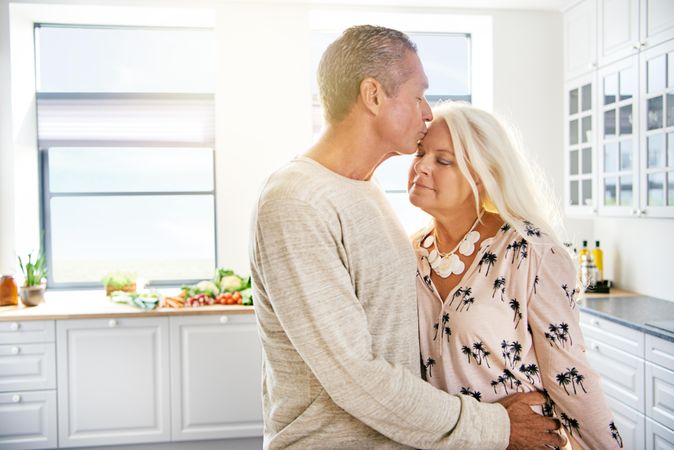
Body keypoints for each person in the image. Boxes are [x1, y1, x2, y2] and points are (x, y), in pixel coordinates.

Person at [250, 25, 565, 449]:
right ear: (374, 95)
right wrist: (497, 428)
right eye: (419, 95)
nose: (428, 113)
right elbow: (354, 374)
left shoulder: (365, 191)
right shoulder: (296, 201)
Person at [409, 102, 623, 449]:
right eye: (420, 152)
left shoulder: (531, 253)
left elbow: (571, 380)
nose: (420, 166)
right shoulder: (407, 255)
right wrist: (489, 422)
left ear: (480, 175)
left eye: (443, 160)